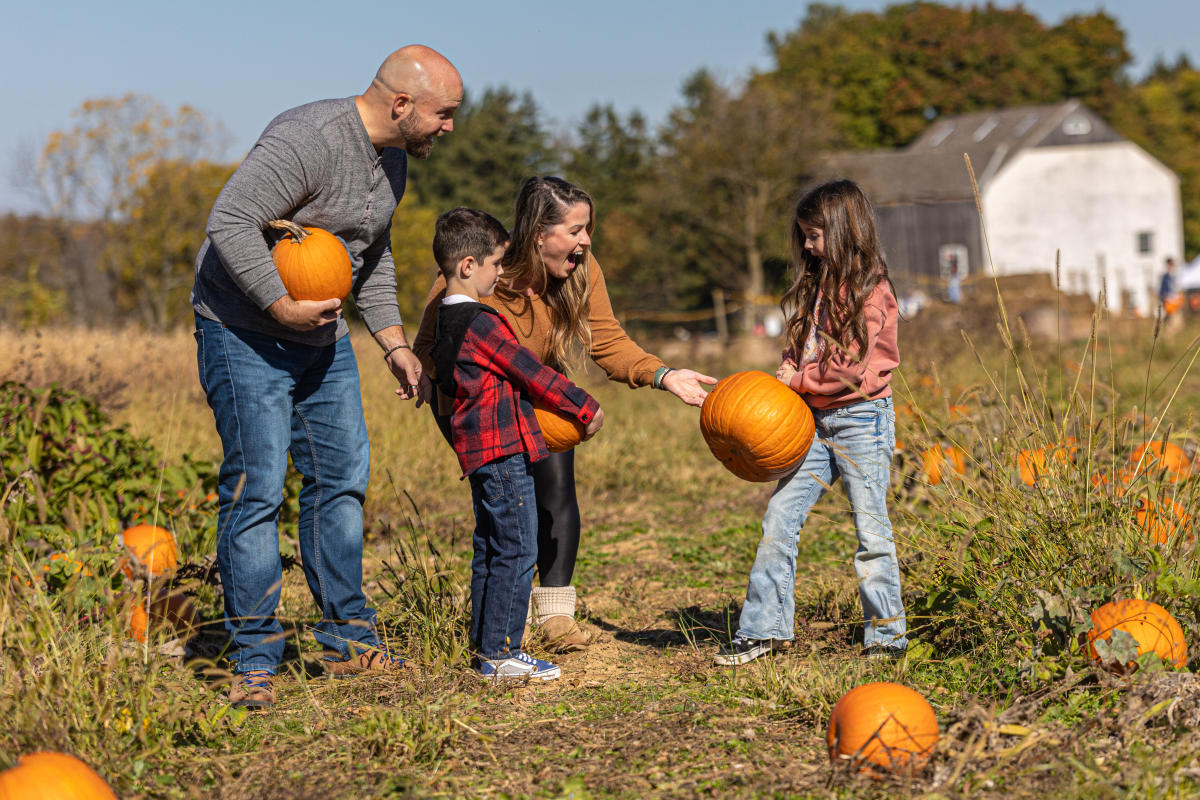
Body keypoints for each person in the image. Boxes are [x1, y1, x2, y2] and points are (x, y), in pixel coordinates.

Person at [190, 45, 463, 709]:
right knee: (255, 491)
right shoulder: (307, 139)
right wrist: (279, 304)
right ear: (401, 104)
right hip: (244, 331)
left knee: (341, 480)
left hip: (324, 340)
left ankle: (348, 640)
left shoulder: (392, 161)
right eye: (443, 113)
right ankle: (255, 655)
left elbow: (370, 256)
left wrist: (394, 342)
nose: (450, 127)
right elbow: (228, 219)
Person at [415, 177, 716, 651]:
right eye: (575, 230)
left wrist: (664, 374)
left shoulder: (582, 269)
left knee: (556, 492)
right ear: (539, 233)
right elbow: (429, 350)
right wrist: (442, 402)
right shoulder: (479, 272)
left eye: (587, 228)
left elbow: (608, 339)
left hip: (541, 391)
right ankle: (494, 630)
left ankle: (554, 616)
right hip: (481, 407)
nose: (586, 240)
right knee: (501, 517)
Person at [714, 179, 908, 666]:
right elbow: (804, 347)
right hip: (813, 424)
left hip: (862, 420)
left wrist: (797, 379)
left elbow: (853, 367)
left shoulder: (871, 291)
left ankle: (887, 637)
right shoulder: (818, 285)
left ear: (843, 231)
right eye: (803, 234)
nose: (806, 244)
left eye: (814, 234)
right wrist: (791, 368)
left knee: (871, 530)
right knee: (780, 518)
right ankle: (764, 629)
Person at [429, 207, 603, 680]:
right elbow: (530, 371)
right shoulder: (481, 322)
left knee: (490, 545)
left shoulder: (443, 323)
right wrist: (583, 407)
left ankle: (485, 649)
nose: (500, 273)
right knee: (518, 547)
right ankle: (504, 651)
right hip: (502, 450)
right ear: (469, 266)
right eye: (495, 264)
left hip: (478, 451)